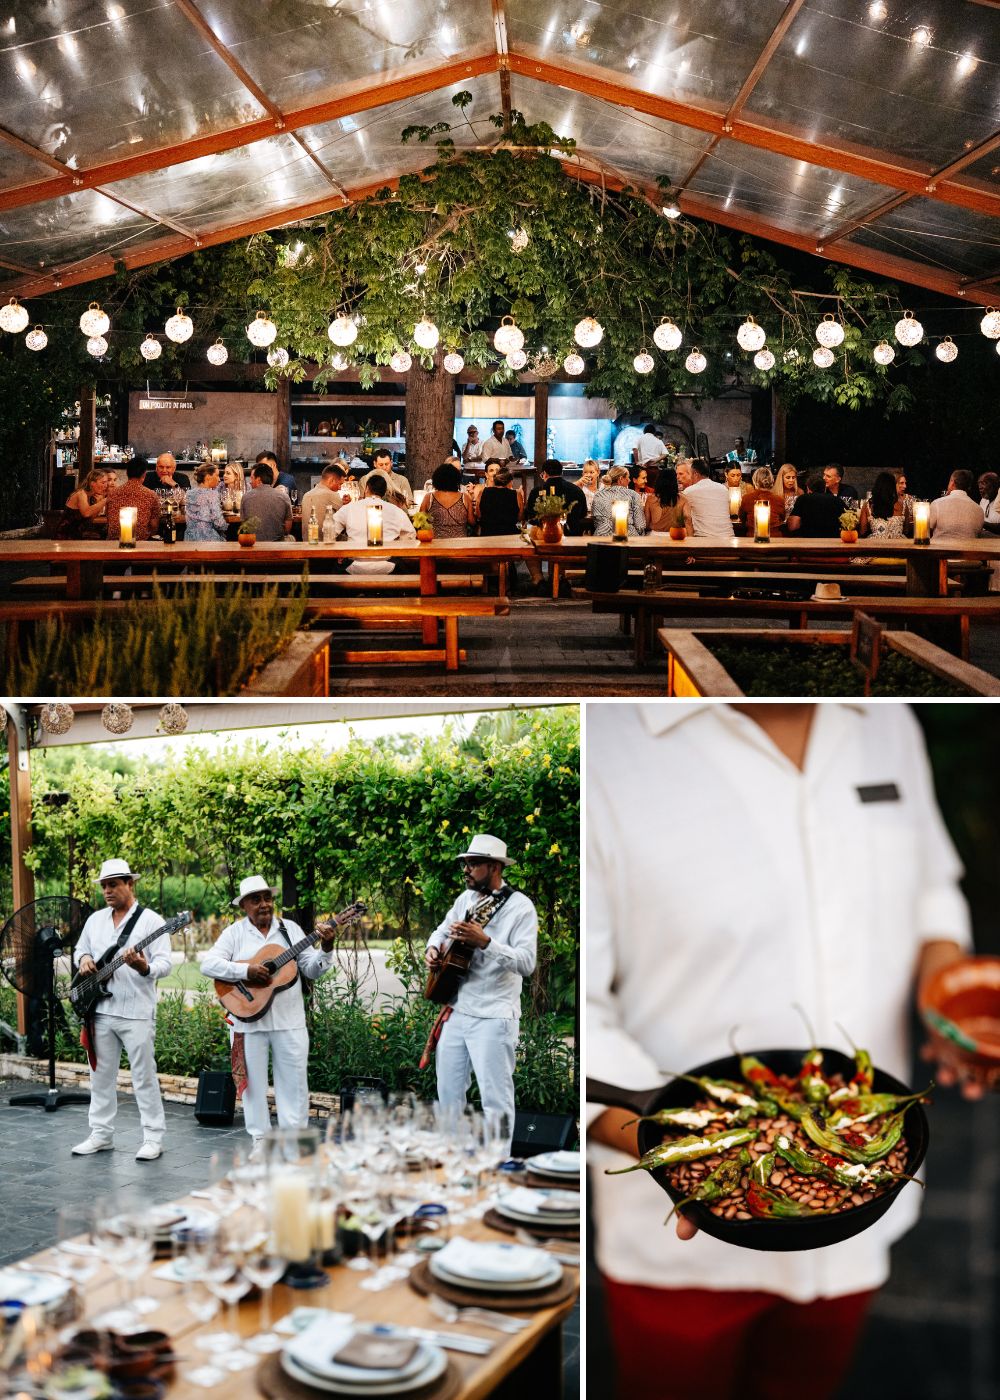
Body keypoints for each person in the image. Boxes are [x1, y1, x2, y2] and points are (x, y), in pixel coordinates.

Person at [587, 702, 977, 1400]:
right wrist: (674, 1145)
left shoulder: (886, 721)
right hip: (681, 1254)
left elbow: (930, 892)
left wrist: (955, 1004)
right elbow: (578, 1013)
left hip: (864, 1209)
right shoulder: (608, 743)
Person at [200, 875, 338, 1158]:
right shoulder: (234, 933)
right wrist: (245, 972)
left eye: (267, 898)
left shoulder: (291, 930)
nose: (264, 904)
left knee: (295, 1082)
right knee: (253, 1086)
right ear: (244, 906)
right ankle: (260, 1140)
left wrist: (326, 948)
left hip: (289, 1022)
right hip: (246, 1018)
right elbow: (208, 964)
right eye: (256, 900)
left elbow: (311, 969)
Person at [423, 835, 537, 1148]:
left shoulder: (520, 908)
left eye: (473, 864)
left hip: (495, 1015)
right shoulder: (466, 900)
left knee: (495, 1101)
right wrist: (433, 948)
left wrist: (485, 941)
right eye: (466, 864)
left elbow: (527, 963)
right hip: (458, 1010)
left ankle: (497, 1171)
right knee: (447, 1093)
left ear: (494, 866)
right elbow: (441, 930)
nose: (467, 869)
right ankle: (453, 1162)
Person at [71, 860, 172, 1161]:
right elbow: (80, 949)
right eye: (104, 886)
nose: (107, 890)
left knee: (144, 1076)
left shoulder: (152, 921)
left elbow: (165, 963)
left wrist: (145, 967)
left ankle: (153, 1138)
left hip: (137, 1012)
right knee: (99, 1075)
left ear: (130, 884)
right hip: (100, 1010)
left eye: (113, 884)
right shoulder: (96, 920)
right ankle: (101, 1134)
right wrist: (85, 959)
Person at [331, 473, 416, 573]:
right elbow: (410, 535)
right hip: (388, 565)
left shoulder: (349, 508)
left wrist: (341, 550)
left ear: (367, 488)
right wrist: (396, 544)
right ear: (384, 493)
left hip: (354, 565)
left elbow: (330, 530)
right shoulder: (396, 511)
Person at [524, 460, 589, 537]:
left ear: (544, 474)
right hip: (573, 535)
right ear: (562, 473)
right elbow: (583, 513)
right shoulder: (576, 490)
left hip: (546, 536)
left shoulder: (537, 491)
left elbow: (530, 516)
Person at [106, 461, 161, 541]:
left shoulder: (112, 493)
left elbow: (109, 519)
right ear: (144, 475)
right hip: (140, 542)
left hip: (113, 541)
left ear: (127, 473)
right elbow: (154, 525)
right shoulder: (151, 495)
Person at [418, 462, 474, 536]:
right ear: (456, 479)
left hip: (436, 544)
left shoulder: (429, 497)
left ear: (437, 479)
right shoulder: (465, 497)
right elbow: (471, 521)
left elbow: (420, 522)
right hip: (460, 543)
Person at [681, 457, 734, 537]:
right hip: (729, 537)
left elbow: (684, 517)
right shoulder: (723, 489)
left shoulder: (689, 492)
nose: (690, 477)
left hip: (704, 540)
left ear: (695, 474)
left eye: (690, 474)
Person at [929, 469, 985, 541]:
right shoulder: (979, 509)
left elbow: (926, 528)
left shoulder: (937, 503)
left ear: (952, 483)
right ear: (969, 487)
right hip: (969, 551)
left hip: (941, 550)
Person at [242, 462, 293, 540]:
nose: (250, 482)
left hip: (253, 545)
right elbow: (287, 528)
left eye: (252, 478)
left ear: (258, 480)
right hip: (277, 547)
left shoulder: (246, 497)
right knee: (291, 538)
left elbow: (244, 526)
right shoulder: (284, 497)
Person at [592, 465, 646, 537]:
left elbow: (596, 522)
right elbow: (640, 526)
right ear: (620, 479)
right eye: (628, 477)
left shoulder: (598, 495)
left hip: (601, 537)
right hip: (627, 537)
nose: (629, 480)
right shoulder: (633, 495)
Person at [859, 470, 905, 544]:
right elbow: (906, 530)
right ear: (893, 488)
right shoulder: (903, 505)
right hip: (898, 548)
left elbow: (862, 531)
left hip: (876, 548)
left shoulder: (868, 506)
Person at [184, 462, 228, 541]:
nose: (219, 479)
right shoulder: (212, 494)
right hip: (208, 540)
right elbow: (219, 523)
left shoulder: (188, 493)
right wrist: (227, 527)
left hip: (189, 539)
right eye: (217, 475)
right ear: (208, 477)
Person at [301, 464, 347, 535]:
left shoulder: (306, 495)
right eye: (340, 484)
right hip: (326, 543)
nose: (340, 488)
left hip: (307, 542)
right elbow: (347, 517)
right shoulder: (332, 495)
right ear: (332, 480)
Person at [64, 468, 110, 539]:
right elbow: (86, 513)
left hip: (77, 534)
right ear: (92, 483)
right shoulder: (81, 493)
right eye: (103, 482)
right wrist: (105, 500)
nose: (105, 486)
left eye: (106, 483)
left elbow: (90, 518)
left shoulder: (91, 496)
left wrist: (98, 503)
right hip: (66, 535)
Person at [738, 465, 786, 532]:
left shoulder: (747, 498)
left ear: (754, 481)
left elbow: (742, 518)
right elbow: (782, 518)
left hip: (752, 538)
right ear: (772, 481)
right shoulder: (779, 500)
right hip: (775, 538)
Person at [476, 465, 522, 535]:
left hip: (487, 535)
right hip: (510, 535)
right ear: (510, 481)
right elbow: (520, 517)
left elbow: (479, 515)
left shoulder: (482, 492)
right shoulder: (516, 494)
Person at [643, 467, 683, 532]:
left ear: (658, 481)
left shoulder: (650, 499)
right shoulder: (682, 499)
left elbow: (646, 524)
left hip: (655, 536)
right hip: (675, 535)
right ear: (674, 481)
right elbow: (687, 520)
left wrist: (654, 526)